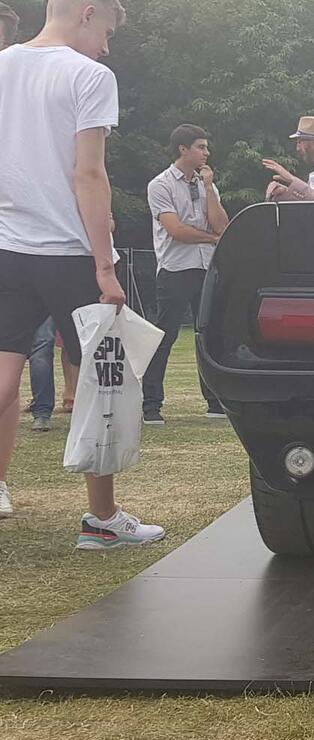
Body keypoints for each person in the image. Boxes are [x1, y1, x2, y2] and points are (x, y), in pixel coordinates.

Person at [0, 0, 164, 547]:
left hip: (8, 248)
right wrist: (105, 265)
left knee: (2, 378)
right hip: (71, 252)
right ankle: (102, 520)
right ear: (88, 13)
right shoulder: (90, 76)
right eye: (109, 32)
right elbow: (88, 174)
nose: (108, 46)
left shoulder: (3, 65)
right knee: (102, 382)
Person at [142, 124, 229, 424]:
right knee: (165, 335)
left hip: (206, 267)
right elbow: (176, 231)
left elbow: (221, 226)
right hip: (175, 269)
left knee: (209, 335)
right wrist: (210, 238)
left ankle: (215, 402)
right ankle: (151, 404)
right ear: (183, 149)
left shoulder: (208, 184)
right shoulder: (160, 185)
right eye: (201, 147)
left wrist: (208, 189)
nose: (207, 153)